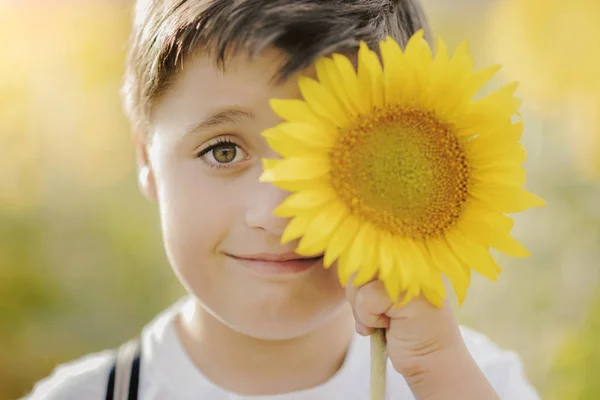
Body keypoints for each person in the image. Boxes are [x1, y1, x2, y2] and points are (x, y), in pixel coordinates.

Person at [25, 0, 540, 399]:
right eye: (223, 151)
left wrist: (440, 374)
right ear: (145, 158)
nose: (275, 213)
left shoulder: (472, 380)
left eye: (330, 153)